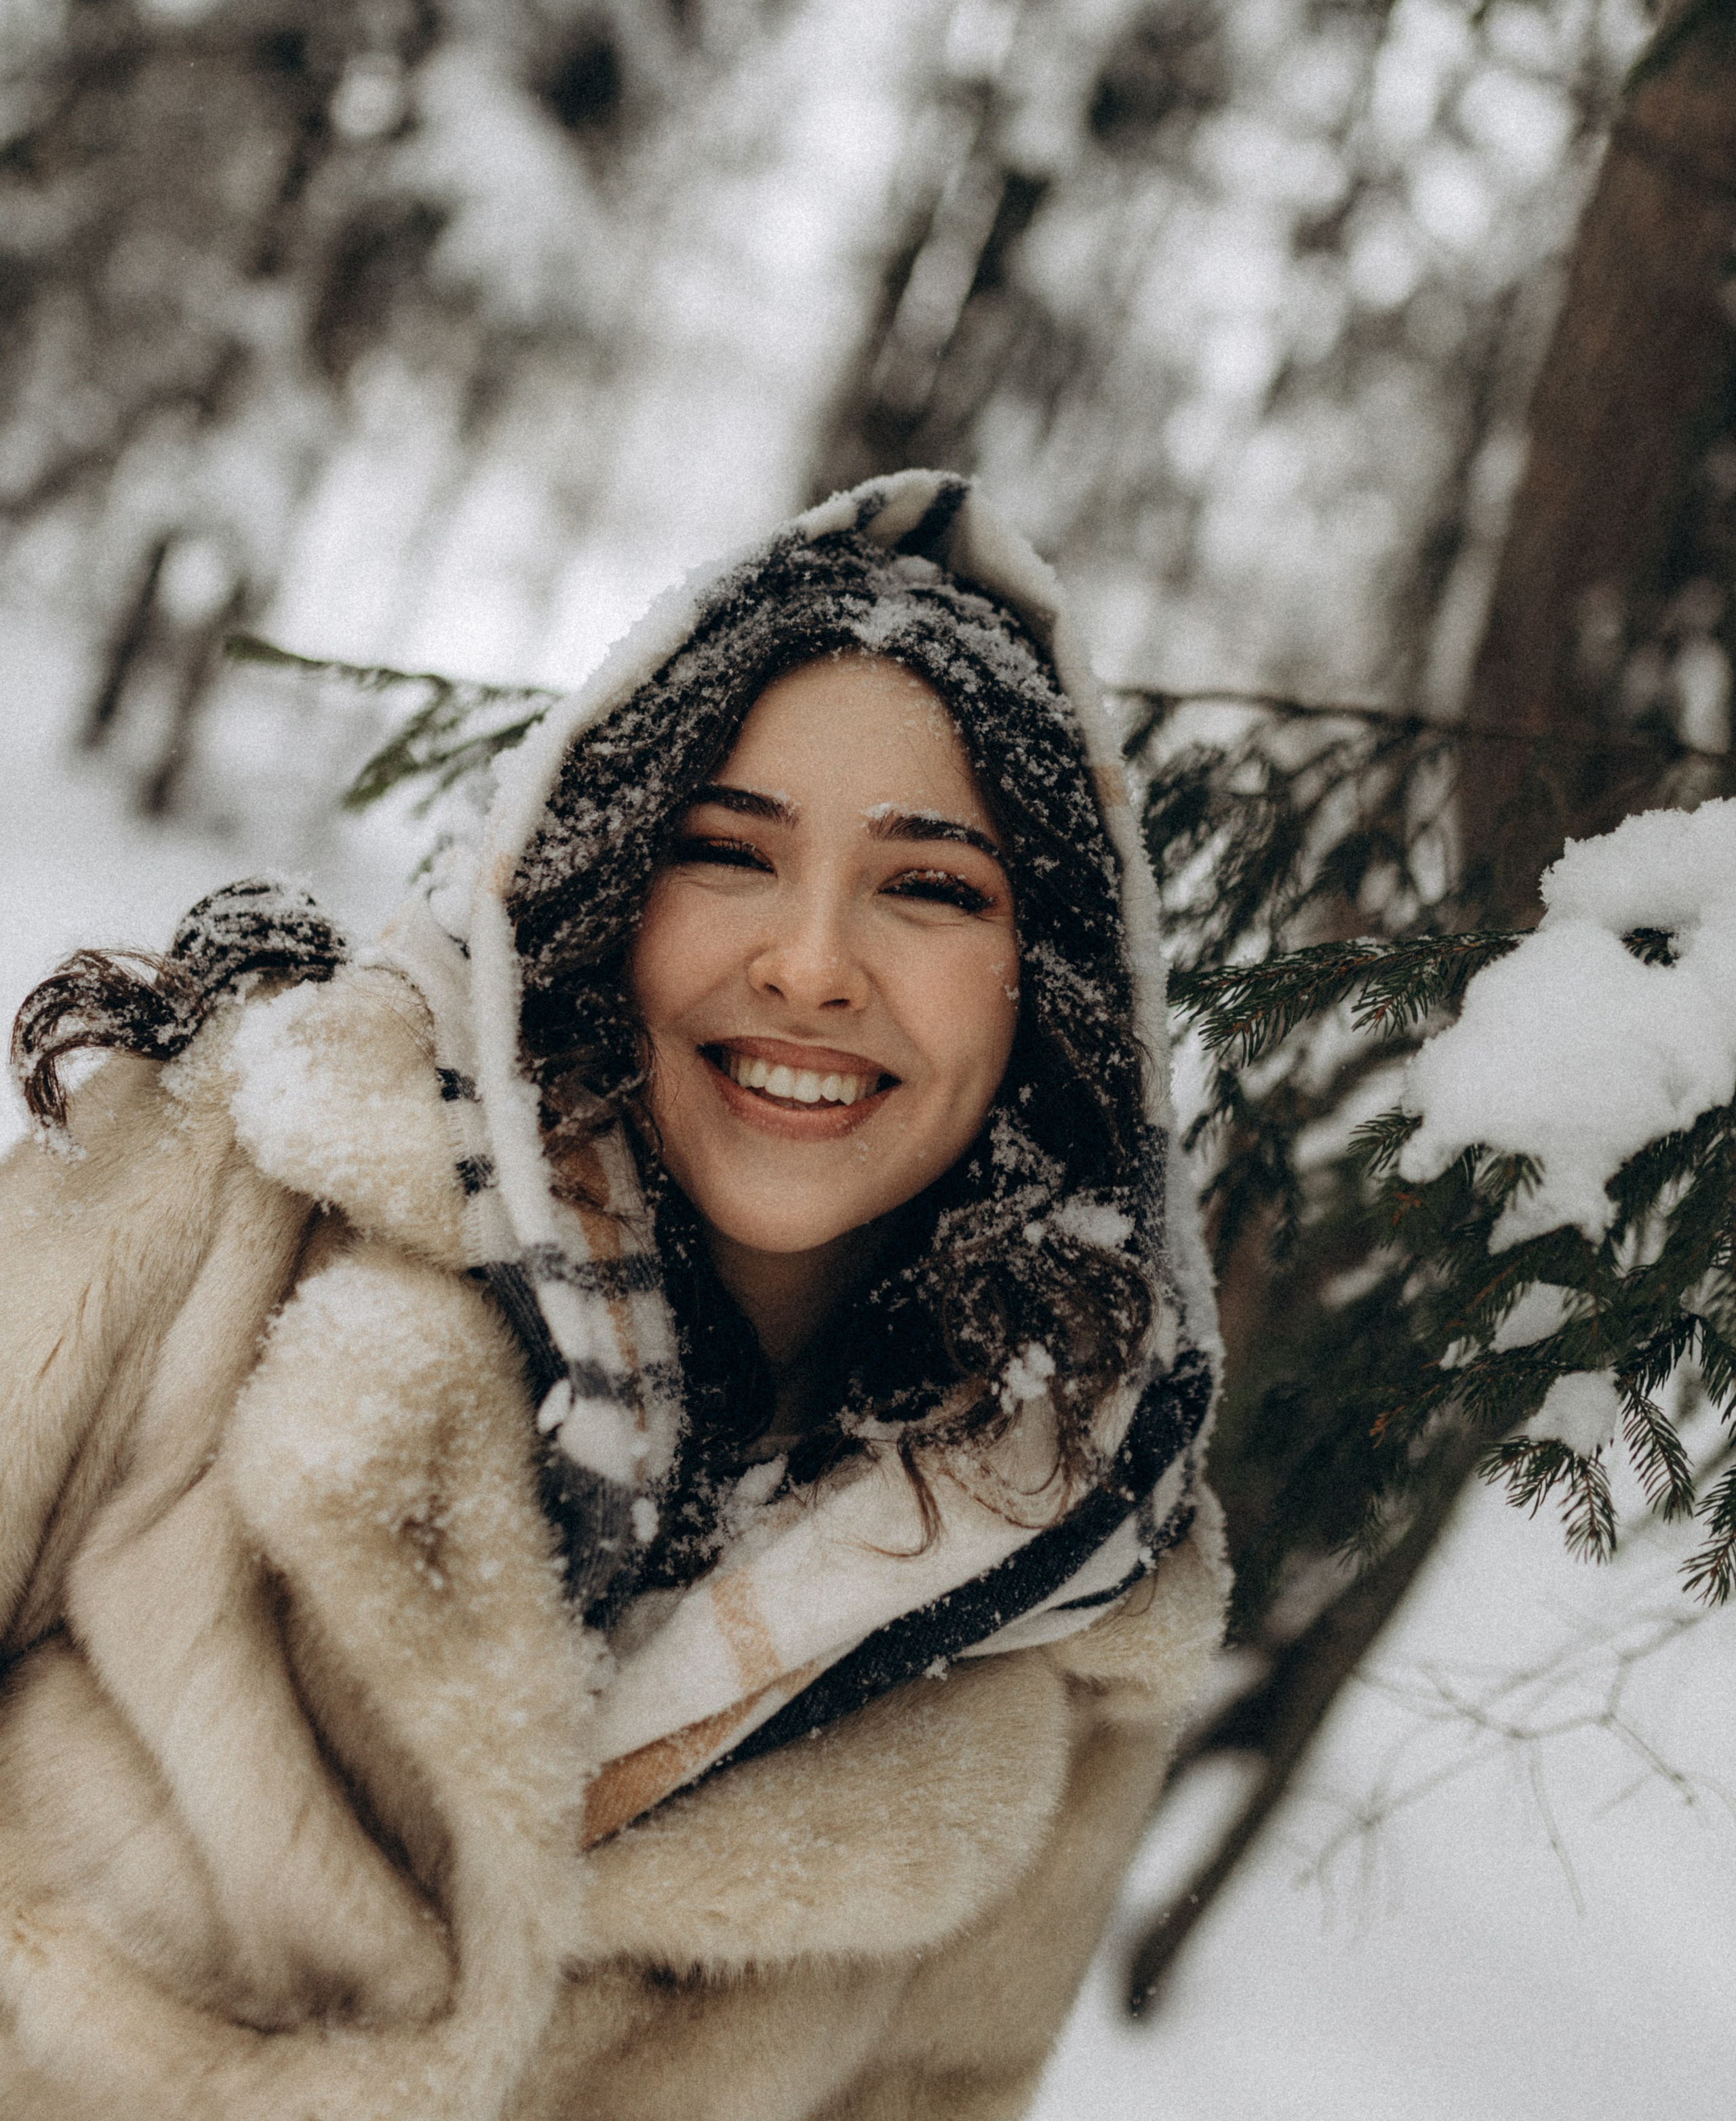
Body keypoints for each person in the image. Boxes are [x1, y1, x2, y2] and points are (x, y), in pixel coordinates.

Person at [0, 470, 1225, 2121]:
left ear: (1048, 978)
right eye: (728, 854)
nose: (809, 962)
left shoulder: (1071, 1577)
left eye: (931, 885)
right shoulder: (243, 1158)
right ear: (608, 886)